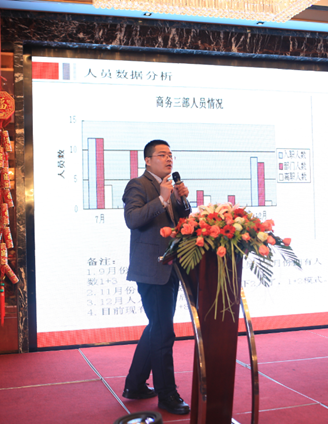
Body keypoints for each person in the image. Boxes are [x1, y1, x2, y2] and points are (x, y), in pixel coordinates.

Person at [121, 139, 191, 415]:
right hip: (151, 269)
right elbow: (133, 220)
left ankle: (135, 385)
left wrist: (181, 200)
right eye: (162, 154)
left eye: (171, 154)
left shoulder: (170, 187)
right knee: (163, 331)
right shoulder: (138, 185)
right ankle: (167, 394)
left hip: (171, 266)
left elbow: (180, 222)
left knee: (157, 327)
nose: (169, 158)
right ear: (148, 160)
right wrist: (162, 199)